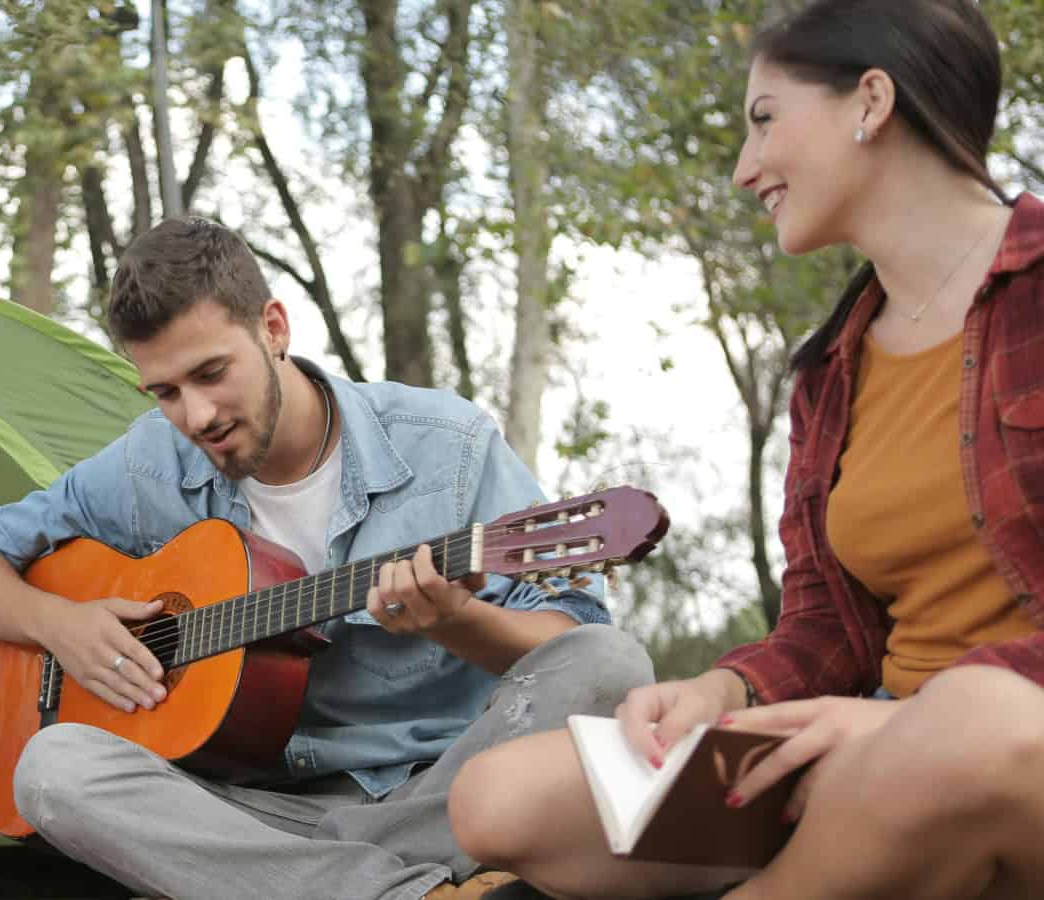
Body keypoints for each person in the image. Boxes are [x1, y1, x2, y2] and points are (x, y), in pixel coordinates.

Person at [447, 3, 1044, 899]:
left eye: (765, 119)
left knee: (970, 722)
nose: (743, 169)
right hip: (871, 738)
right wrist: (721, 694)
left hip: (1001, 742)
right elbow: (827, 626)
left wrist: (907, 728)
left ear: (871, 101)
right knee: (500, 797)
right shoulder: (831, 371)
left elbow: (969, 717)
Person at [0, 216, 654, 900]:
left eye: (212, 374)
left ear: (273, 328)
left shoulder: (447, 446)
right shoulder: (152, 463)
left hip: (443, 789)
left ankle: (339, 881)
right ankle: (406, 890)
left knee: (609, 663)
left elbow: (567, 638)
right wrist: (60, 625)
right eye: (166, 392)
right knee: (51, 770)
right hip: (253, 815)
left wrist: (453, 619)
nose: (195, 417)